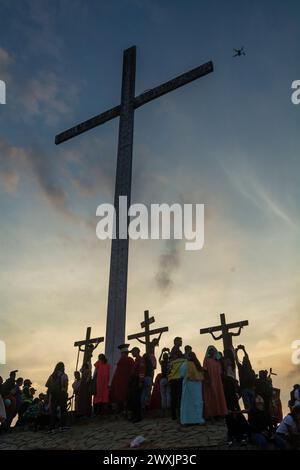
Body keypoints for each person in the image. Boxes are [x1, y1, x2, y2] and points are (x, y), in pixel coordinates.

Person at [180, 351, 205, 425]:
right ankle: (198, 419)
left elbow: (181, 374)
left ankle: (187, 421)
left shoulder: (185, 365)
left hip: (188, 385)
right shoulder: (198, 365)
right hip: (197, 386)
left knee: (187, 403)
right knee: (197, 402)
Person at [203, 346, 228, 421]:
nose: (211, 351)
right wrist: (207, 380)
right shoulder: (206, 360)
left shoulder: (217, 361)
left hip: (218, 381)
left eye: (213, 350)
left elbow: (221, 372)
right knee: (211, 397)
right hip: (210, 381)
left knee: (218, 395)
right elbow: (205, 370)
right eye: (210, 350)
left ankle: (219, 413)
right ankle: (211, 414)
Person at [110, 344, 134, 413]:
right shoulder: (130, 360)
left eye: (121, 353)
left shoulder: (122, 360)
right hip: (126, 381)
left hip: (122, 382)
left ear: (123, 353)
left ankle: (123, 409)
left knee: (122, 395)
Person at [45, 362, 69, 432]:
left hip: (53, 395)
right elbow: (65, 385)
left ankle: (52, 428)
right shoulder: (64, 375)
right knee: (63, 410)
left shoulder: (51, 376)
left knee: (53, 412)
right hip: (62, 394)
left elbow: (47, 385)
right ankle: (62, 426)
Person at [168, 337, 185, 420]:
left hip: (174, 378)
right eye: (180, 341)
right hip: (176, 377)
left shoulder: (176, 350)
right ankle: (177, 414)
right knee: (177, 396)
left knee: (175, 397)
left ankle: (175, 415)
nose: (181, 342)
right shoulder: (175, 350)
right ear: (176, 342)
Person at [235, 345, 256, 411]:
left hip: (245, 389)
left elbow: (236, 360)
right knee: (253, 407)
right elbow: (246, 357)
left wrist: (236, 352)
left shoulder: (241, 368)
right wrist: (243, 350)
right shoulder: (250, 369)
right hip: (250, 389)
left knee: (248, 408)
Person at [128, 347, 145, 423]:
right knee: (134, 399)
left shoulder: (140, 360)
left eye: (133, 351)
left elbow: (141, 371)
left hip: (137, 380)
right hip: (134, 381)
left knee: (137, 399)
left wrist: (140, 382)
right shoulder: (136, 360)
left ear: (137, 351)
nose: (132, 353)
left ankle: (138, 417)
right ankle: (135, 416)